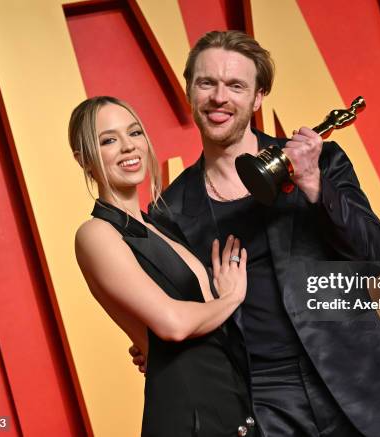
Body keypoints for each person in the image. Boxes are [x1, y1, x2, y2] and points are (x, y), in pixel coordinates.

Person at [131, 31, 380, 436]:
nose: (220, 97)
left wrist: (313, 184)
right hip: (265, 404)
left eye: (236, 85)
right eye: (207, 83)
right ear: (189, 90)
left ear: (257, 97)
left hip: (360, 383)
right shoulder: (170, 213)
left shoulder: (322, 163)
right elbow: (185, 314)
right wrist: (159, 344)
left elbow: (373, 257)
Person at [70, 96, 258, 436]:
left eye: (135, 132)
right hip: (191, 414)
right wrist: (229, 298)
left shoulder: (159, 223)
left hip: (229, 400)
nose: (129, 147)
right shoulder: (96, 233)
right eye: (109, 140)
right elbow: (173, 324)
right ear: (84, 160)